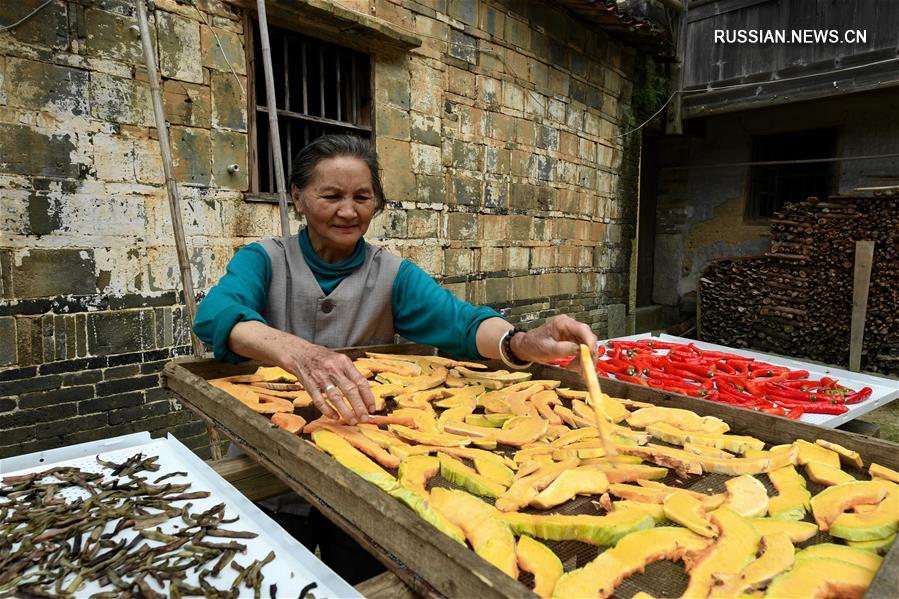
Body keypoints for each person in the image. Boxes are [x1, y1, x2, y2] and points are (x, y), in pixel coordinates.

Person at [193, 134, 599, 581]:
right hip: (269, 470)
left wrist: (522, 342)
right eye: (331, 195)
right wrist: (298, 352)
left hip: (366, 479)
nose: (348, 211)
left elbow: (460, 323)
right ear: (298, 196)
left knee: (361, 579)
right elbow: (216, 315)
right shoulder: (265, 260)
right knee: (268, 582)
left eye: (362, 197)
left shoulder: (392, 274)